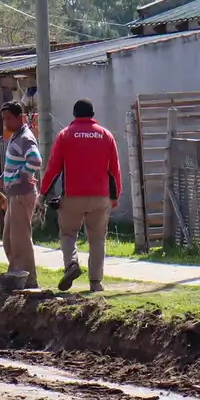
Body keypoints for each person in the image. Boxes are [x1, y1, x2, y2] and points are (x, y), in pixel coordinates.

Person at [41, 98, 122, 293]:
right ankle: (96, 283)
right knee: (97, 239)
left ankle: (71, 265)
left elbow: (53, 169)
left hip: (72, 197)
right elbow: (115, 170)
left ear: (74, 114)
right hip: (100, 197)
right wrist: (115, 196)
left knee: (68, 233)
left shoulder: (65, 135)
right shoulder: (106, 135)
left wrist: (42, 193)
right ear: (93, 114)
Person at [0, 101, 42, 286]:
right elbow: (19, 161)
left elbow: (35, 160)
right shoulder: (16, 136)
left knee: (20, 240)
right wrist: (4, 176)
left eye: (9, 118)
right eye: (3, 119)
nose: (6, 122)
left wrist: (21, 176)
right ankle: (16, 275)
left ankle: (29, 281)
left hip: (22, 194)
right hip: (13, 194)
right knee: (9, 239)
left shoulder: (25, 137)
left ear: (19, 117)